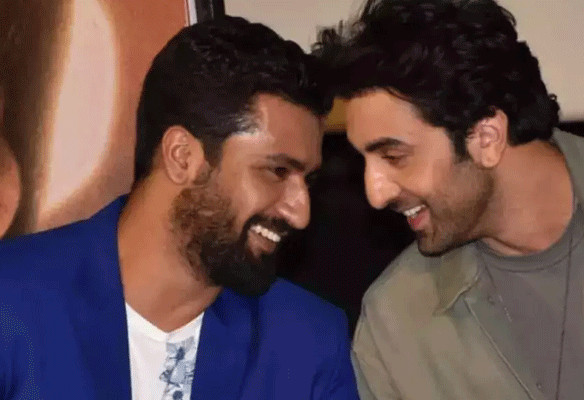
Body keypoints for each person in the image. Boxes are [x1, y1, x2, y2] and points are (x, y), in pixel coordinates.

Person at [315, 0, 584, 399]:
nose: (375, 193)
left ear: (487, 138)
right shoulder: (396, 326)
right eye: (364, 161)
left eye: (394, 157)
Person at [0, 16, 359, 399]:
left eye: (308, 181)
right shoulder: (13, 300)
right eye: (277, 171)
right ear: (182, 156)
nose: (300, 213)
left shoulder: (306, 343)